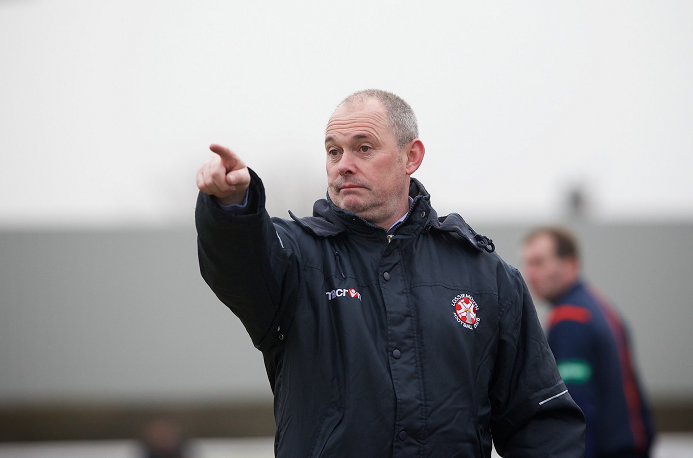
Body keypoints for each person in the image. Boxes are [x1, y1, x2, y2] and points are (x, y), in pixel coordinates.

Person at [195, 89, 585, 457]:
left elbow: (540, 422)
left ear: (410, 157)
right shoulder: (295, 257)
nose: (343, 164)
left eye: (363, 148)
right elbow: (241, 265)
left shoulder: (488, 277)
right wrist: (232, 205)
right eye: (333, 151)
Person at [521, 226, 655, 458]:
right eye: (527, 263)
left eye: (539, 262)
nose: (530, 273)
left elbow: (576, 406)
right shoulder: (598, 305)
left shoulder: (571, 317)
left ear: (570, 264)